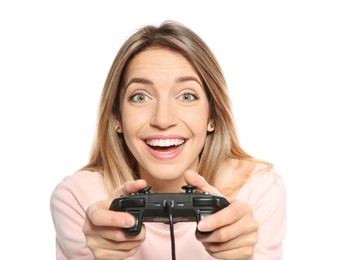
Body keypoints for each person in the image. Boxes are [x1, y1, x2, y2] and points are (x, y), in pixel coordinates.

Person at [50, 20, 286, 260]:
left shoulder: (257, 189)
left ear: (212, 116)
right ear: (117, 118)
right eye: (140, 97)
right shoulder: (78, 198)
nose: (163, 120)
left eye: (187, 95)